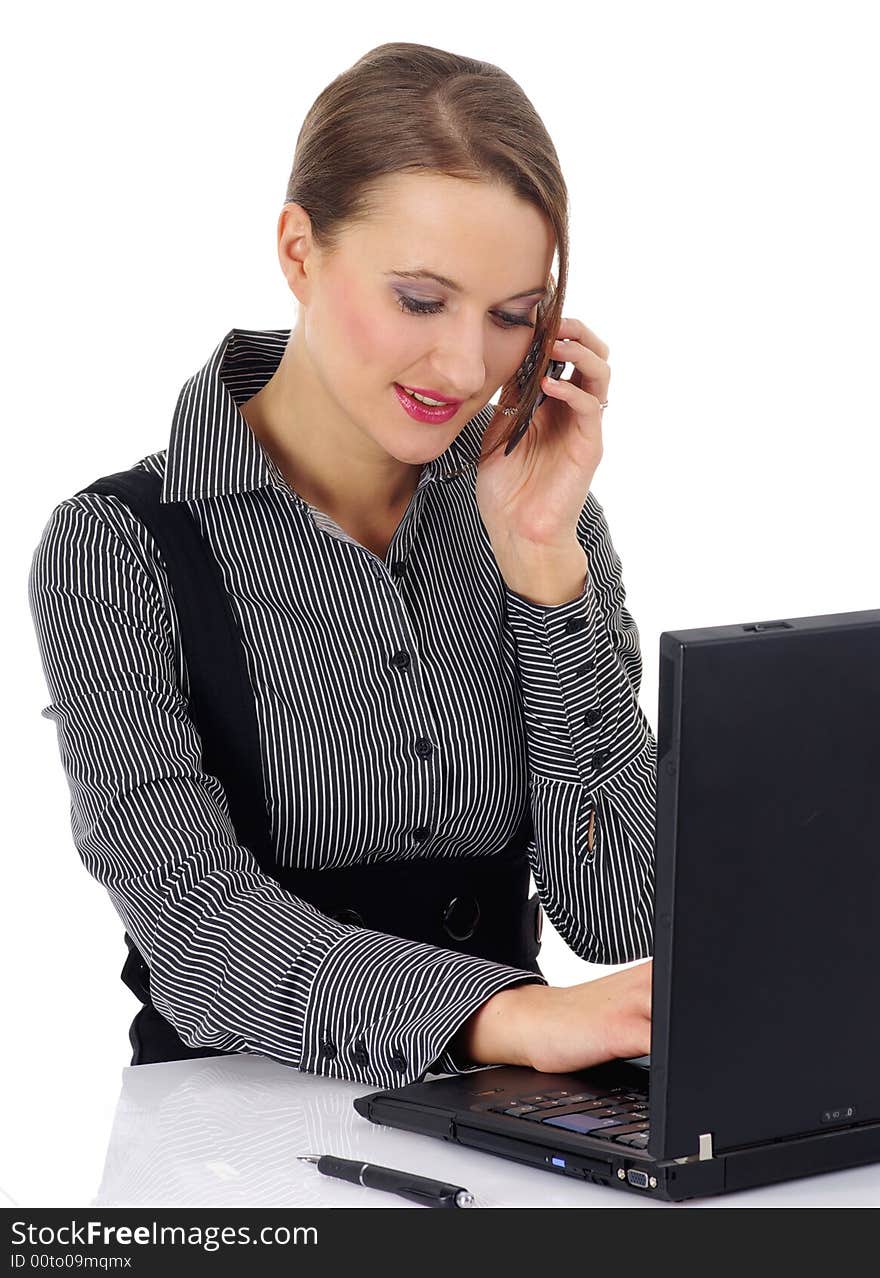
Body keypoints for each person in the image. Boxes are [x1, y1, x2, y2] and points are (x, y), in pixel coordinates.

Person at [28, 41, 655, 1085]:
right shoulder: (119, 548)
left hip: (504, 1125)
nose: (465, 368)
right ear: (299, 251)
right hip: (228, 1137)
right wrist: (506, 1016)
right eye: (419, 299)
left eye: (511, 318)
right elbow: (197, 936)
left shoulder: (534, 519)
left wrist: (545, 564)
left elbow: (619, 908)